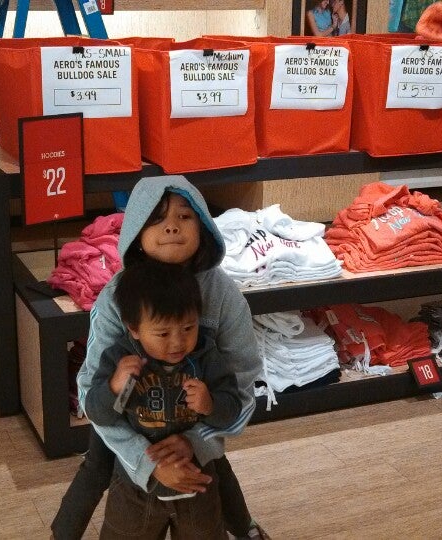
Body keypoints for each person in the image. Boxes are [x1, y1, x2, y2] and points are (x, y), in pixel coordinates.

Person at [51, 175, 267, 539]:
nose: (171, 227)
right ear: (136, 230)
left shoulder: (222, 294)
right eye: (156, 218)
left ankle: (244, 529)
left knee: (213, 468)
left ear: (203, 226)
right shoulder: (117, 295)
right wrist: (145, 460)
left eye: (185, 216)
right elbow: (91, 387)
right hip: (127, 416)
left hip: (190, 417)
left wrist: (196, 441)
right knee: (97, 465)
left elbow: (242, 380)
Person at [84, 259, 241, 538]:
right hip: (134, 489)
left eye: (188, 328)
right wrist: (113, 387)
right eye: (163, 333)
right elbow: (98, 415)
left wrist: (211, 404)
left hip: (198, 486)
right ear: (133, 328)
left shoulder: (207, 356)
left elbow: (232, 410)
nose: (177, 342)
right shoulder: (119, 358)